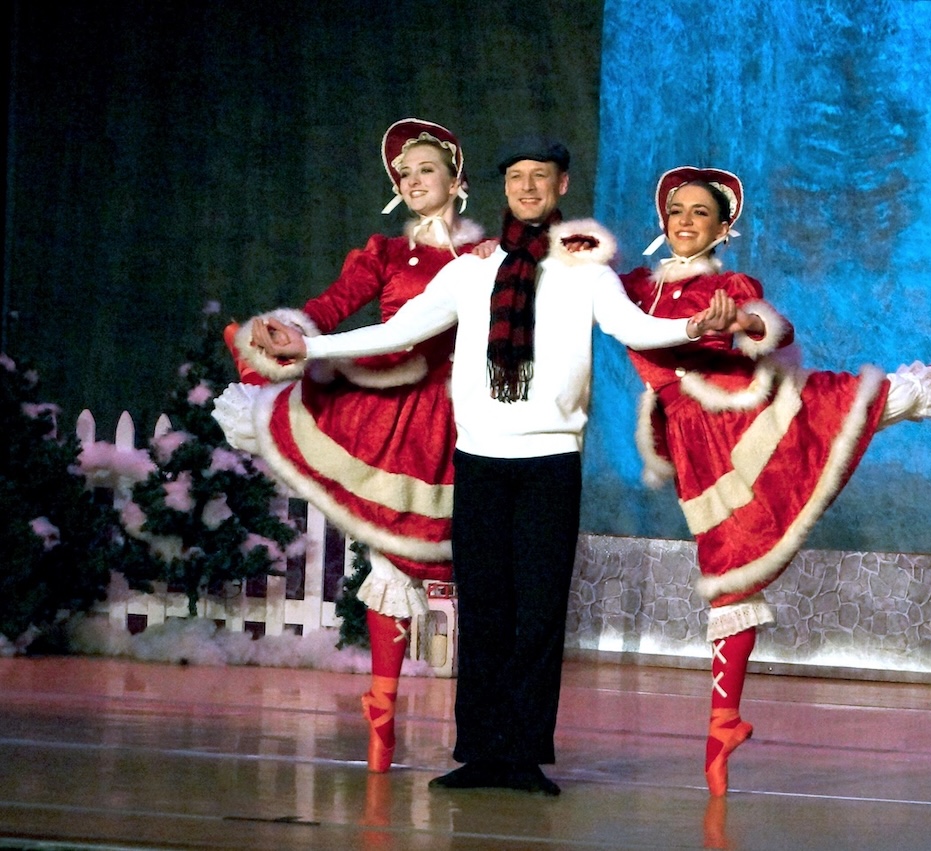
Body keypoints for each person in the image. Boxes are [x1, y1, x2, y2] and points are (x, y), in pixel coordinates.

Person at [249, 139, 742, 796]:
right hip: (479, 462)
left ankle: (524, 756)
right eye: (516, 178)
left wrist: (691, 328)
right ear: (503, 188)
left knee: (537, 615)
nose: (528, 188)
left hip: (549, 463)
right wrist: (310, 346)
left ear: (562, 185)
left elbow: (634, 327)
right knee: (483, 611)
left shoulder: (585, 271)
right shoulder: (470, 272)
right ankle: (482, 752)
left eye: (541, 177)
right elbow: (399, 331)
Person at [618, 166, 931, 796]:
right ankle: (723, 720)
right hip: (696, 441)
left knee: (855, 405)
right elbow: (578, 287)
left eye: (700, 212)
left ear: (723, 228)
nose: (686, 221)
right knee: (729, 567)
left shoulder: (728, 284)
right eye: (677, 210)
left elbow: (770, 326)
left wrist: (740, 323)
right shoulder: (634, 287)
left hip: (747, 412)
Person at [212, 118, 483, 775]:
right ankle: (382, 709)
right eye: (404, 174)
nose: (412, 181)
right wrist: (283, 332)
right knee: (391, 560)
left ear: (457, 180)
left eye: (425, 169)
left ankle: (486, 731)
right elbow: (331, 307)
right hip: (389, 411)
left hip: (464, 414)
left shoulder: (487, 256)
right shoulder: (385, 254)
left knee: (477, 562)